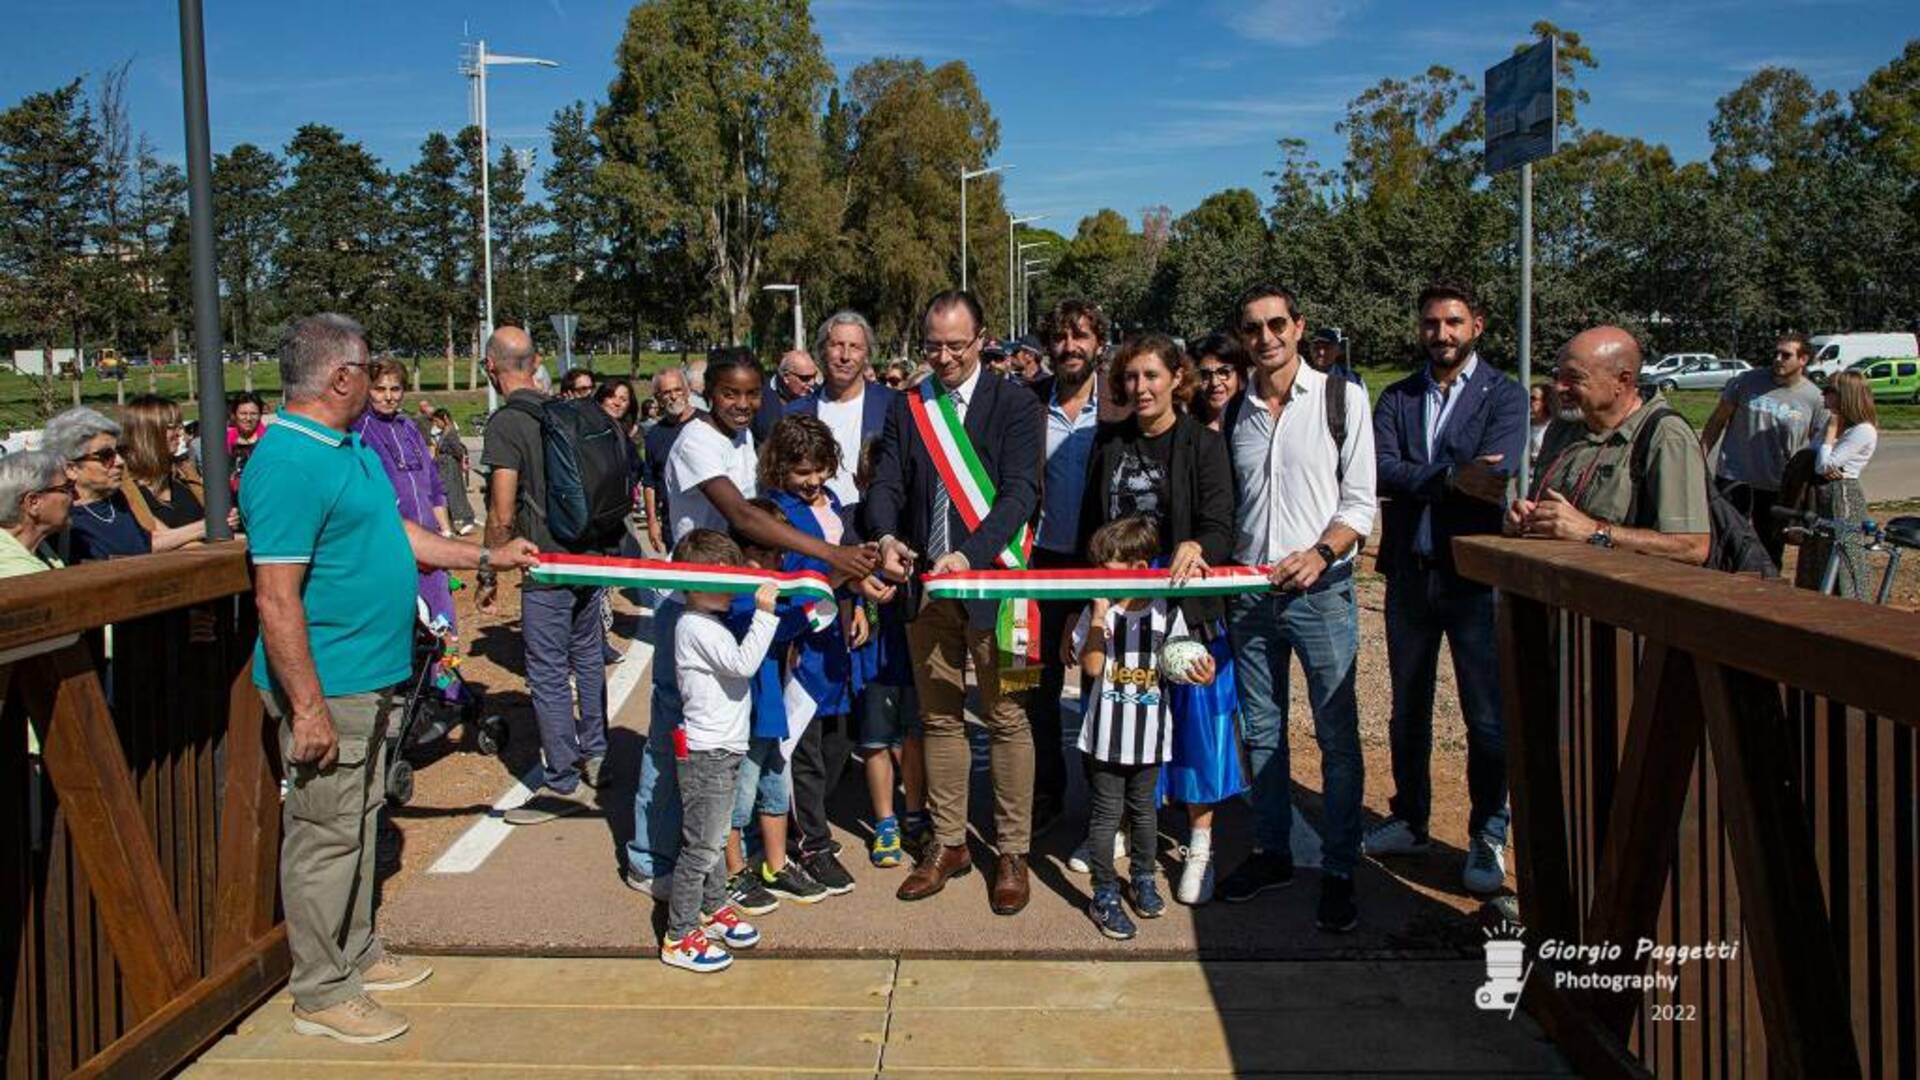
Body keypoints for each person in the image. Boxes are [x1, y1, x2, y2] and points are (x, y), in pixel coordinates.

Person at [243, 313, 535, 1042]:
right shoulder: (285, 461)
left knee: (361, 818)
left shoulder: (351, 449)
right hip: (330, 685)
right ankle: (321, 988)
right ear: (340, 377)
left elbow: (399, 535)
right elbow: (276, 597)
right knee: (325, 835)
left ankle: (355, 953)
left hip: (376, 676)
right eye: (367, 368)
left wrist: (486, 559)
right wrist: (305, 707)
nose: (375, 380)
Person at [625, 349, 878, 895]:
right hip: (692, 606)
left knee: (737, 742)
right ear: (706, 395)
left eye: (750, 394)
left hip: (736, 604)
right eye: (729, 394)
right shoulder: (695, 441)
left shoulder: (742, 440)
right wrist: (831, 557)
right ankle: (650, 856)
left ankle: (724, 854)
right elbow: (743, 517)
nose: (742, 404)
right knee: (676, 737)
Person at [868, 290, 1043, 914]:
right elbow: (888, 480)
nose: (942, 357)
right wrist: (886, 536)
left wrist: (971, 554)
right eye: (932, 345)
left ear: (982, 339)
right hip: (927, 588)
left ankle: (1012, 851)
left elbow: (1022, 492)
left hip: (1002, 589)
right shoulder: (908, 404)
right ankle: (948, 844)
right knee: (938, 718)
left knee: (1008, 717)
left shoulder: (1018, 403)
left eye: (955, 345)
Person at [1218, 283, 1376, 933]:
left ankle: (1339, 867)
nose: (1266, 338)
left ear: (1298, 326)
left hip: (1322, 592)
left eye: (1276, 324)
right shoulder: (1235, 411)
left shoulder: (1343, 398)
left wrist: (1320, 552)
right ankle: (1272, 850)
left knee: (1336, 736)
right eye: (1253, 328)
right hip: (1250, 596)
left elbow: (1361, 504)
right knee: (1260, 732)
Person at [1368, 281, 1527, 896]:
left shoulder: (1504, 395)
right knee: (1407, 708)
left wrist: (1425, 479)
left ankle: (1487, 830)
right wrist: (1450, 477)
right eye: (1432, 323)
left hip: (1473, 579)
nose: (1442, 334)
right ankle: (1410, 817)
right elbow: (1380, 468)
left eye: (1454, 322)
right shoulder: (1399, 396)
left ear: (1477, 326)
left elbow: (1497, 473)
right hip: (1410, 571)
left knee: (1486, 717)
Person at [1072, 334, 1238, 905]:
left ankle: (1199, 846)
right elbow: (1090, 524)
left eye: (1152, 376)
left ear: (1176, 378)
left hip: (1183, 602)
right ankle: (1114, 823)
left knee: (1195, 725)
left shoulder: (1202, 443)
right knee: (1118, 712)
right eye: (1131, 378)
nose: (1140, 388)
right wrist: (1087, 596)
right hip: (1120, 603)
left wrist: (1199, 545)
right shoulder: (1108, 441)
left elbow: (1222, 522)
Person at [786, 311, 910, 867]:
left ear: (868, 353)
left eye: (854, 346)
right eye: (834, 345)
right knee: (824, 685)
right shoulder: (794, 413)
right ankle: (815, 801)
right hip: (819, 557)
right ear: (822, 351)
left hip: (881, 546)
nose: (843, 355)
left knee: (888, 684)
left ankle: (901, 803)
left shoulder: (895, 406)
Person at [481, 327, 612, 823]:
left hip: (545, 561)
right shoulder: (568, 409)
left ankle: (560, 780)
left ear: (490, 367)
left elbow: (501, 508)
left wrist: (489, 568)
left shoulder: (506, 424)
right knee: (587, 656)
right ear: (535, 361)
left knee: (548, 672)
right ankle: (597, 752)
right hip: (588, 553)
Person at [1070, 515, 1215, 940]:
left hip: (1150, 739)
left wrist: (1199, 670)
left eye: (1109, 570)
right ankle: (1104, 892)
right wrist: (1098, 615)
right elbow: (1093, 667)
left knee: (1145, 812)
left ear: (1139, 568)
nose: (1102, 578)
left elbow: (1181, 663)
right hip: (1105, 739)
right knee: (1105, 815)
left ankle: (1143, 878)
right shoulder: (1097, 611)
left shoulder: (1165, 612)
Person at [659, 529, 777, 973]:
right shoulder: (694, 625)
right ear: (695, 581)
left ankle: (712, 906)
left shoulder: (712, 622)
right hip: (706, 752)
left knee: (714, 834)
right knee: (702, 847)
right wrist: (765, 614)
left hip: (724, 746)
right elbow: (742, 665)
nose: (731, 589)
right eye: (721, 580)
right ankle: (680, 933)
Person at [1510, 327, 1711, 566]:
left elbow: (1692, 547)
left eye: (1574, 378)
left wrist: (1594, 532)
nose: (1559, 388)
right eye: (1557, 376)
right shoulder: (1563, 426)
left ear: (1622, 380)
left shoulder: (1666, 436)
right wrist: (1524, 518)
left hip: (1624, 597)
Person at [1027, 297, 1115, 838]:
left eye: (1080, 336)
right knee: (1035, 687)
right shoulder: (1028, 404)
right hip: (1039, 566)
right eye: (1060, 337)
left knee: (1099, 683)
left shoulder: (1122, 405)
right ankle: (1046, 793)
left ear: (1098, 344)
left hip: (1101, 566)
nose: (1069, 347)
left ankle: (1104, 807)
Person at [722, 499, 829, 913]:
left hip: (770, 711)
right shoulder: (736, 598)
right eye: (765, 553)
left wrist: (825, 586)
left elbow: (792, 623)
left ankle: (776, 864)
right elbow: (781, 624)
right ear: (742, 553)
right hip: (744, 717)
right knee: (739, 797)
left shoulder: (769, 593)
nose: (775, 561)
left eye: (778, 554)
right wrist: (819, 591)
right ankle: (732, 872)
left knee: (773, 792)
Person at [354, 359, 459, 641]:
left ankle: (443, 685)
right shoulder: (359, 429)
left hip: (430, 544)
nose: (388, 396)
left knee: (442, 627)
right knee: (406, 631)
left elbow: (435, 486)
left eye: (395, 388)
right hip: (392, 547)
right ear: (367, 390)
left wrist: (445, 533)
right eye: (380, 389)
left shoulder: (409, 427)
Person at [1699, 334, 1826, 566]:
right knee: (1724, 542)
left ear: (1803, 360)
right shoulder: (1746, 382)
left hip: (1776, 485)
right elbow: (1717, 422)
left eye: (1786, 355)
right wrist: (1699, 457)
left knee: (1769, 549)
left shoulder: (1814, 398)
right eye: (1776, 353)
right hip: (1734, 477)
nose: (1778, 359)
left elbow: (1818, 444)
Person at [1804, 370, 1879, 599]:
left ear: (1845, 395)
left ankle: (1852, 605)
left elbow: (1823, 467)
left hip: (1844, 495)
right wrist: (1829, 438)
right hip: (1823, 494)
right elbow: (1811, 455)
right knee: (1817, 553)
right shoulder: (1836, 424)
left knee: (1844, 554)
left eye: (1829, 391)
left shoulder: (1862, 430)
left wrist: (1830, 435)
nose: (1823, 395)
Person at [44, 408, 151, 562]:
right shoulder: (59, 520)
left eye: (120, 451)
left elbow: (146, 546)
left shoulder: (116, 498)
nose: (120, 462)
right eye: (106, 456)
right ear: (72, 469)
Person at [117, 394, 214, 536]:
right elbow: (154, 539)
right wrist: (209, 526)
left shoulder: (184, 475)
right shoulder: (122, 487)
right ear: (146, 432)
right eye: (171, 427)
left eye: (180, 426)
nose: (180, 433)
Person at [642, 367, 699, 553]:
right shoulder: (654, 435)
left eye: (677, 390)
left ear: (687, 391)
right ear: (658, 398)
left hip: (706, 521)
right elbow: (649, 482)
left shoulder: (708, 424)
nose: (673, 397)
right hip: (672, 524)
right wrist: (652, 521)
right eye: (666, 393)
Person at [0, 450, 71, 578]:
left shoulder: (34, 547)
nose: (74, 495)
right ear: (33, 503)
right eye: (66, 488)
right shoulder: (18, 574)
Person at [1188, 332, 1249, 433]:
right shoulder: (1186, 432)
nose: (1214, 383)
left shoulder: (1252, 424)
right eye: (1204, 375)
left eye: (1223, 372)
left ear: (1239, 375)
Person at [430, 410, 477, 535]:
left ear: (444, 418)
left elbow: (458, 450)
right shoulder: (445, 432)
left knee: (454, 492)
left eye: (437, 421)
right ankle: (448, 523)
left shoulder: (451, 432)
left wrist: (461, 462)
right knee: (446, 493)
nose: (436, 424)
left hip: (450, 466)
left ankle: (467, 519)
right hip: (444, 466)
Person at [226, 390, 269, 493]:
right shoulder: (225, 439)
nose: (248, 418)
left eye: (253, 414)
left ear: (260, 415)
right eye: (243, 413)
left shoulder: (267, 440)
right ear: (234, 415)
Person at [1527, 384, 1553, 463]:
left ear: (1545, 402)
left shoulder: (1553, 427)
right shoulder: (1523, 425)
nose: (1529, 401)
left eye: (1533, 398)